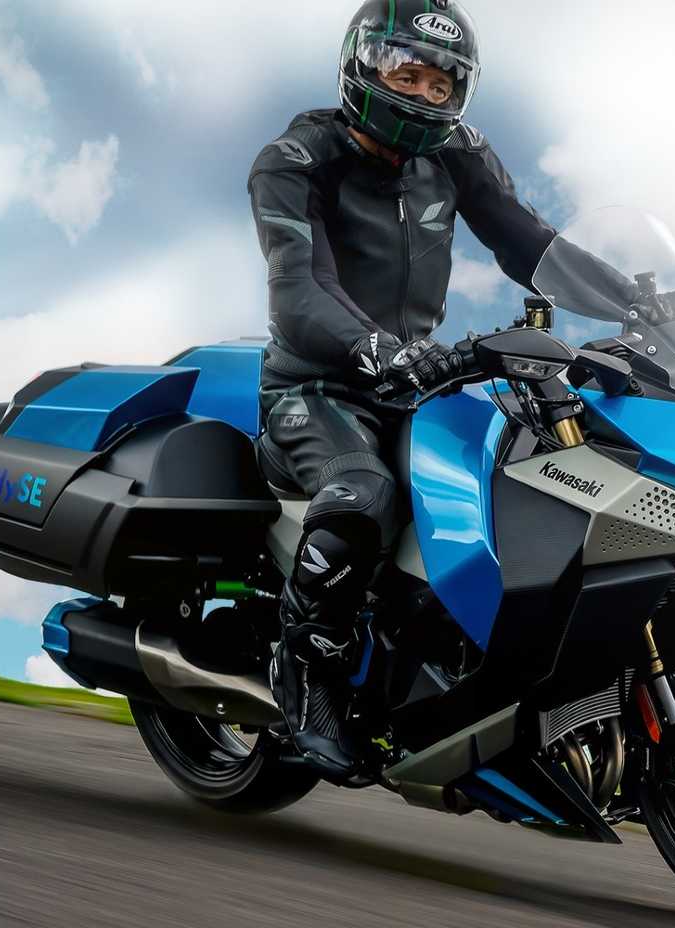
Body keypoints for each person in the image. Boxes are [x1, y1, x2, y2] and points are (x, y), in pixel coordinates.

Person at [247, 0, 555, 780]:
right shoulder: (296, 158)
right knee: (363, 495)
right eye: (408, 74)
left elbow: (532, 245)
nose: (424, 95)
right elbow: (299, 289)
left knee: (520, 484)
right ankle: (306, 672)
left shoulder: (456, 154)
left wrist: (643, 301)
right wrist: (377, 349)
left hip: (417, 386)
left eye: (441, 85)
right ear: (363, 65)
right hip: (316, 387)